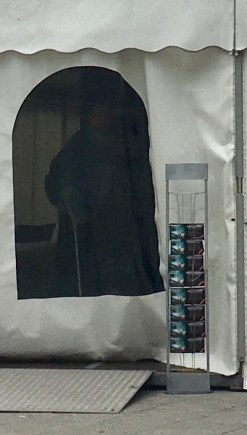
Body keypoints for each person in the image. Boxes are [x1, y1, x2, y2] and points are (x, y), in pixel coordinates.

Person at [43, 94, 161, 296]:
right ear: (90, 116)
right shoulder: (77, 146)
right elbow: (59, 180)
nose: (106, 118)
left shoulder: (118, 143)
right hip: (88, 222)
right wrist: (75, 204)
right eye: (101, 113)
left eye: (108, 114)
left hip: (114, 220)